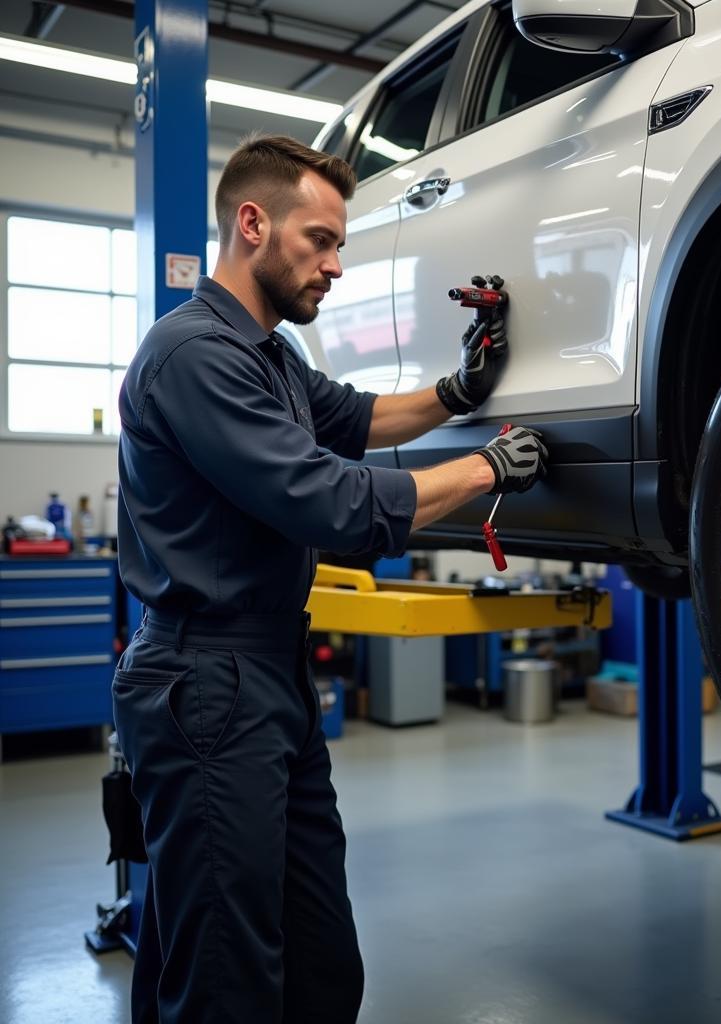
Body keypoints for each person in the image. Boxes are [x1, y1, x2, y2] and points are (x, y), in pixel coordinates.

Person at [114, 133, 547, 1024]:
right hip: (205, 681)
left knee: (318, 961)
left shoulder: (271, 355)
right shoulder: (193, 355)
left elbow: (354, 419)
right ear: (252, 224)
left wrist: (459, 390)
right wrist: (484, 472)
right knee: (226, 979)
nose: (336, 266)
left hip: (267, 674)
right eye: (320, 240)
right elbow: (326, 501)